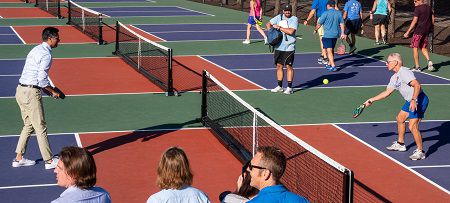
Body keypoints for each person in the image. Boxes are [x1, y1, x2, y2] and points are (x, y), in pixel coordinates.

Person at [12, 27, 63, 170]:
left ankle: (18, 158)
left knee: (28, 125)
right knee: (41, 127)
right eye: (58, 37)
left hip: (20, 91)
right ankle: (48, 161)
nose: (59, 40)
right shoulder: (46, 55)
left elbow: (35, 77)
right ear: (50, 38)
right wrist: (53, 91)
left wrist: (48, 92)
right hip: (30, 94)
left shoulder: (35, 49)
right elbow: (41, 80)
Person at [363, 53, 428, 161]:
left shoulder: (404, 72)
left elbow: (417, 85)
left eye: (388, 62)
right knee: (400, 118)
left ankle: (420, 151)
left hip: (418, 99)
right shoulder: (394, 77)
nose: (386, 64)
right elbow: (387, 92)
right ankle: (401, 144)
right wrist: (371, 100)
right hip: (410, 100)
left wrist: (413, 100)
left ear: (396, 63)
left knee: (412, 126)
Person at [267, 4, 298, 95]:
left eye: (289, 11)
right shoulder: (279, 17)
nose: (287, 12)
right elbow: (268, 24)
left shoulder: (294, 19)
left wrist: (279, 28)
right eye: (286, 11)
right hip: (278, 47)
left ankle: (289, 87)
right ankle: (280, 86)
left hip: (289, 47)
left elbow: (291, 31)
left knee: (289, 66)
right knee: (279, 66)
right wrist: (271, 33)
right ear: (283, 11)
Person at [403, 0, 435, 72]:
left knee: (415, 48)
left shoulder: (418, 9)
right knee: (423, 47)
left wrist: (407, 32)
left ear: (421, 1)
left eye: (415, 1)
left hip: (418, 31)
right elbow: (433, 19)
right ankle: (429, 61)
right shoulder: (429, 8)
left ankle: (417, 67)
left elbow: (414, 21)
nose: (414, 2)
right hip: (426, 32)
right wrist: (430, 28)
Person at [314, 0, 346, 72]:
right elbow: (342, 24)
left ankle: (333, 66)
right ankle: (329, 63)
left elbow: (319, 24)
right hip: (335, 35)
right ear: (334, 6)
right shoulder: (339, 13)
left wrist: (315, 30)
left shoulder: (325, 13)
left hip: (327, 35)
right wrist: (342, 33)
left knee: (329, 50)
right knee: (331, 50)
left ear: (328, 6)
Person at [304, 0, 338, 65]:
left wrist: (307, 20)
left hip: (322, 19)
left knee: (322, 39)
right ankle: (323, 55)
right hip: (331, 19)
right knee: (329, 37)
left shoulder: (317, 1)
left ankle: (325, 58)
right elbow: (336, 8)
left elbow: (313, 11)